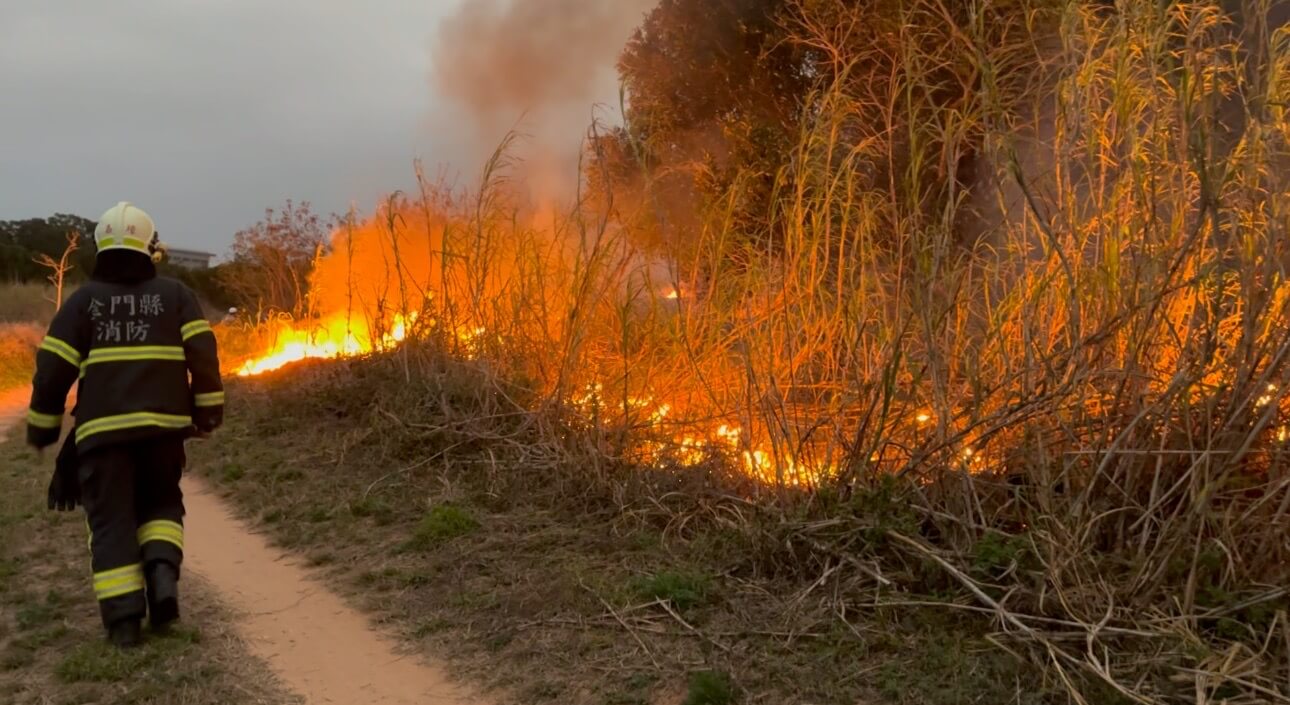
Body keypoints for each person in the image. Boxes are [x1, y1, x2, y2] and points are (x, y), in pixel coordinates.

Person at [27, 201, 224, 648]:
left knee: (112, 521)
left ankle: (124, 623)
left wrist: (42, 427)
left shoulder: (82, 303)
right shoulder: (176, 297)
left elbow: (52, 369)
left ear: (100, 248)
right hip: (163, 434)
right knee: (161, 503)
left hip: (103, 438)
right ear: (150, 249)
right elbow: (204, 358)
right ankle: (161, 574)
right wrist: (208, 411)